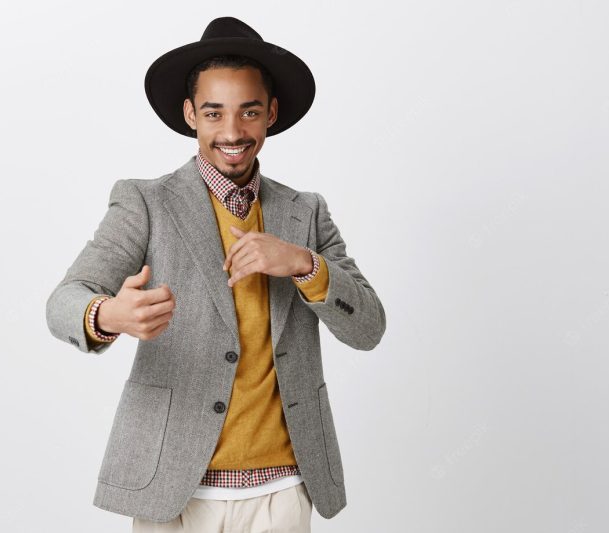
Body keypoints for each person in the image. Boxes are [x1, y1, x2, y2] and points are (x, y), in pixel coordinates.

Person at [45, 16, 386, 532]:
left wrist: (303, 263)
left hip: (285, 490)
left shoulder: (306, 213)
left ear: (271, 113)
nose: (232, 132)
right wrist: (109, 313)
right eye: (214, 112)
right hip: (174, 486)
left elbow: (369, 328)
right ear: (190, 115)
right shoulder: (146, 202)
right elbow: (63, 301)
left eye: (249, 112)